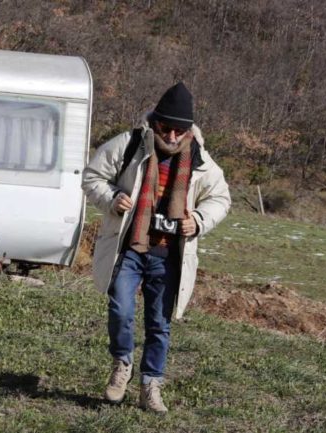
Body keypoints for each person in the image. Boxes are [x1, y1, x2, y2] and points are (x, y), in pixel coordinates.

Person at [81, 82, 231, 413]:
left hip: (168, 255)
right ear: (155, 122)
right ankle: (122, 364)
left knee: (159, 324)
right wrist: (111, 199)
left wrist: (200, 220)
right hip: (130, 248)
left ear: (188, 129)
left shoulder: (199, 158)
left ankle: (151, 384)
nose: (173, 137)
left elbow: (221, 198)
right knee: (120, 307)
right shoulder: (130, 144)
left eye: (180, 130)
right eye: (167, 128)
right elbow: (92, 177)